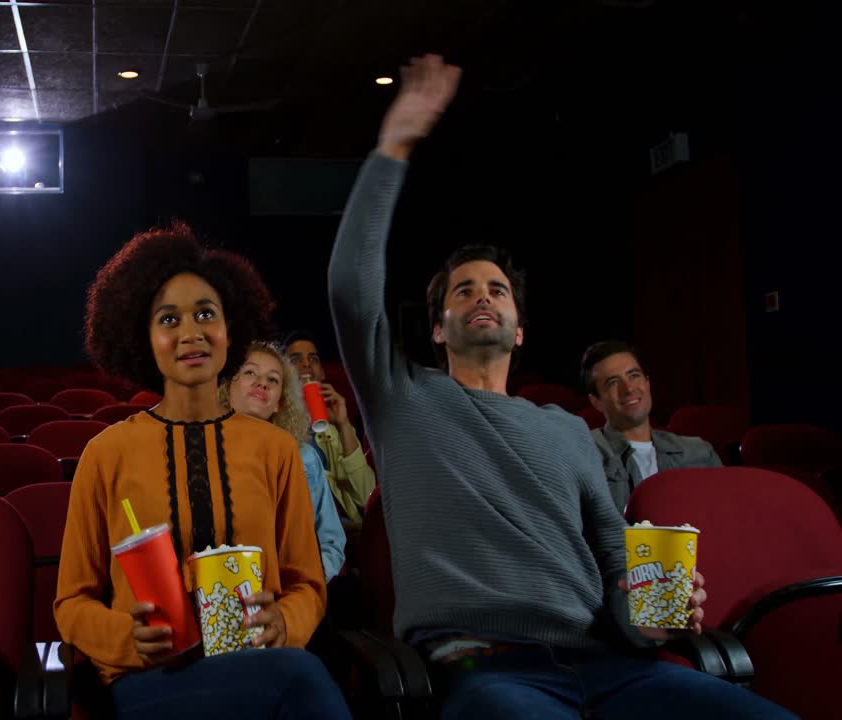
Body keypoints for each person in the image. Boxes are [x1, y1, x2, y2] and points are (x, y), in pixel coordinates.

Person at [327, 54, 794, 719]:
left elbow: (612, 553)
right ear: (438, 330)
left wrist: (652, 616)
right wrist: (395, 143)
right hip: (482, 663)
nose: (483, 296)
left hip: (610, 663)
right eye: (464, 290)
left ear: (519, 331)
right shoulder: (405, 401)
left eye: (497, 289)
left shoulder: (567, 430)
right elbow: (349, 291)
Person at [55, 222, 349, 719]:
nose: (190, 332)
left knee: (295, 674)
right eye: (168, 319)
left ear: (229, 329)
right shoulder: (105, 453)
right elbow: (71, 603)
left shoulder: (276, 450)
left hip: (264, 668)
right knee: (302, 678)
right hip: (150, 683)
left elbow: (307, 584)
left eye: (205, 314)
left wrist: (287, 623)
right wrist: (127, 638)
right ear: (143, 337)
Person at [220, 341, 347, 581]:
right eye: (250, 372)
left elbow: (331, 542)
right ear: (227, 387)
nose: (262, 382)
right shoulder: (201, 451)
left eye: (273, 379)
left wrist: (302, 588)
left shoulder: (305, 458)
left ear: (279, 401)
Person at [582, 340, 723, 512]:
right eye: (612, 382)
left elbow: (724, 517)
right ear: (596, 402)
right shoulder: (585, 455)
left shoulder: (699, 452)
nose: (628, 389)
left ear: (647, 383)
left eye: (634, 375)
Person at [284, 330, 376, 524]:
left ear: (323, 373)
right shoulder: (275, 428)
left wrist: (343, 424)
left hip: (346, 532)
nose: (306, 364)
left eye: (313, 359)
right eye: (295, 360)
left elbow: (366, 496)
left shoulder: (333, 431)